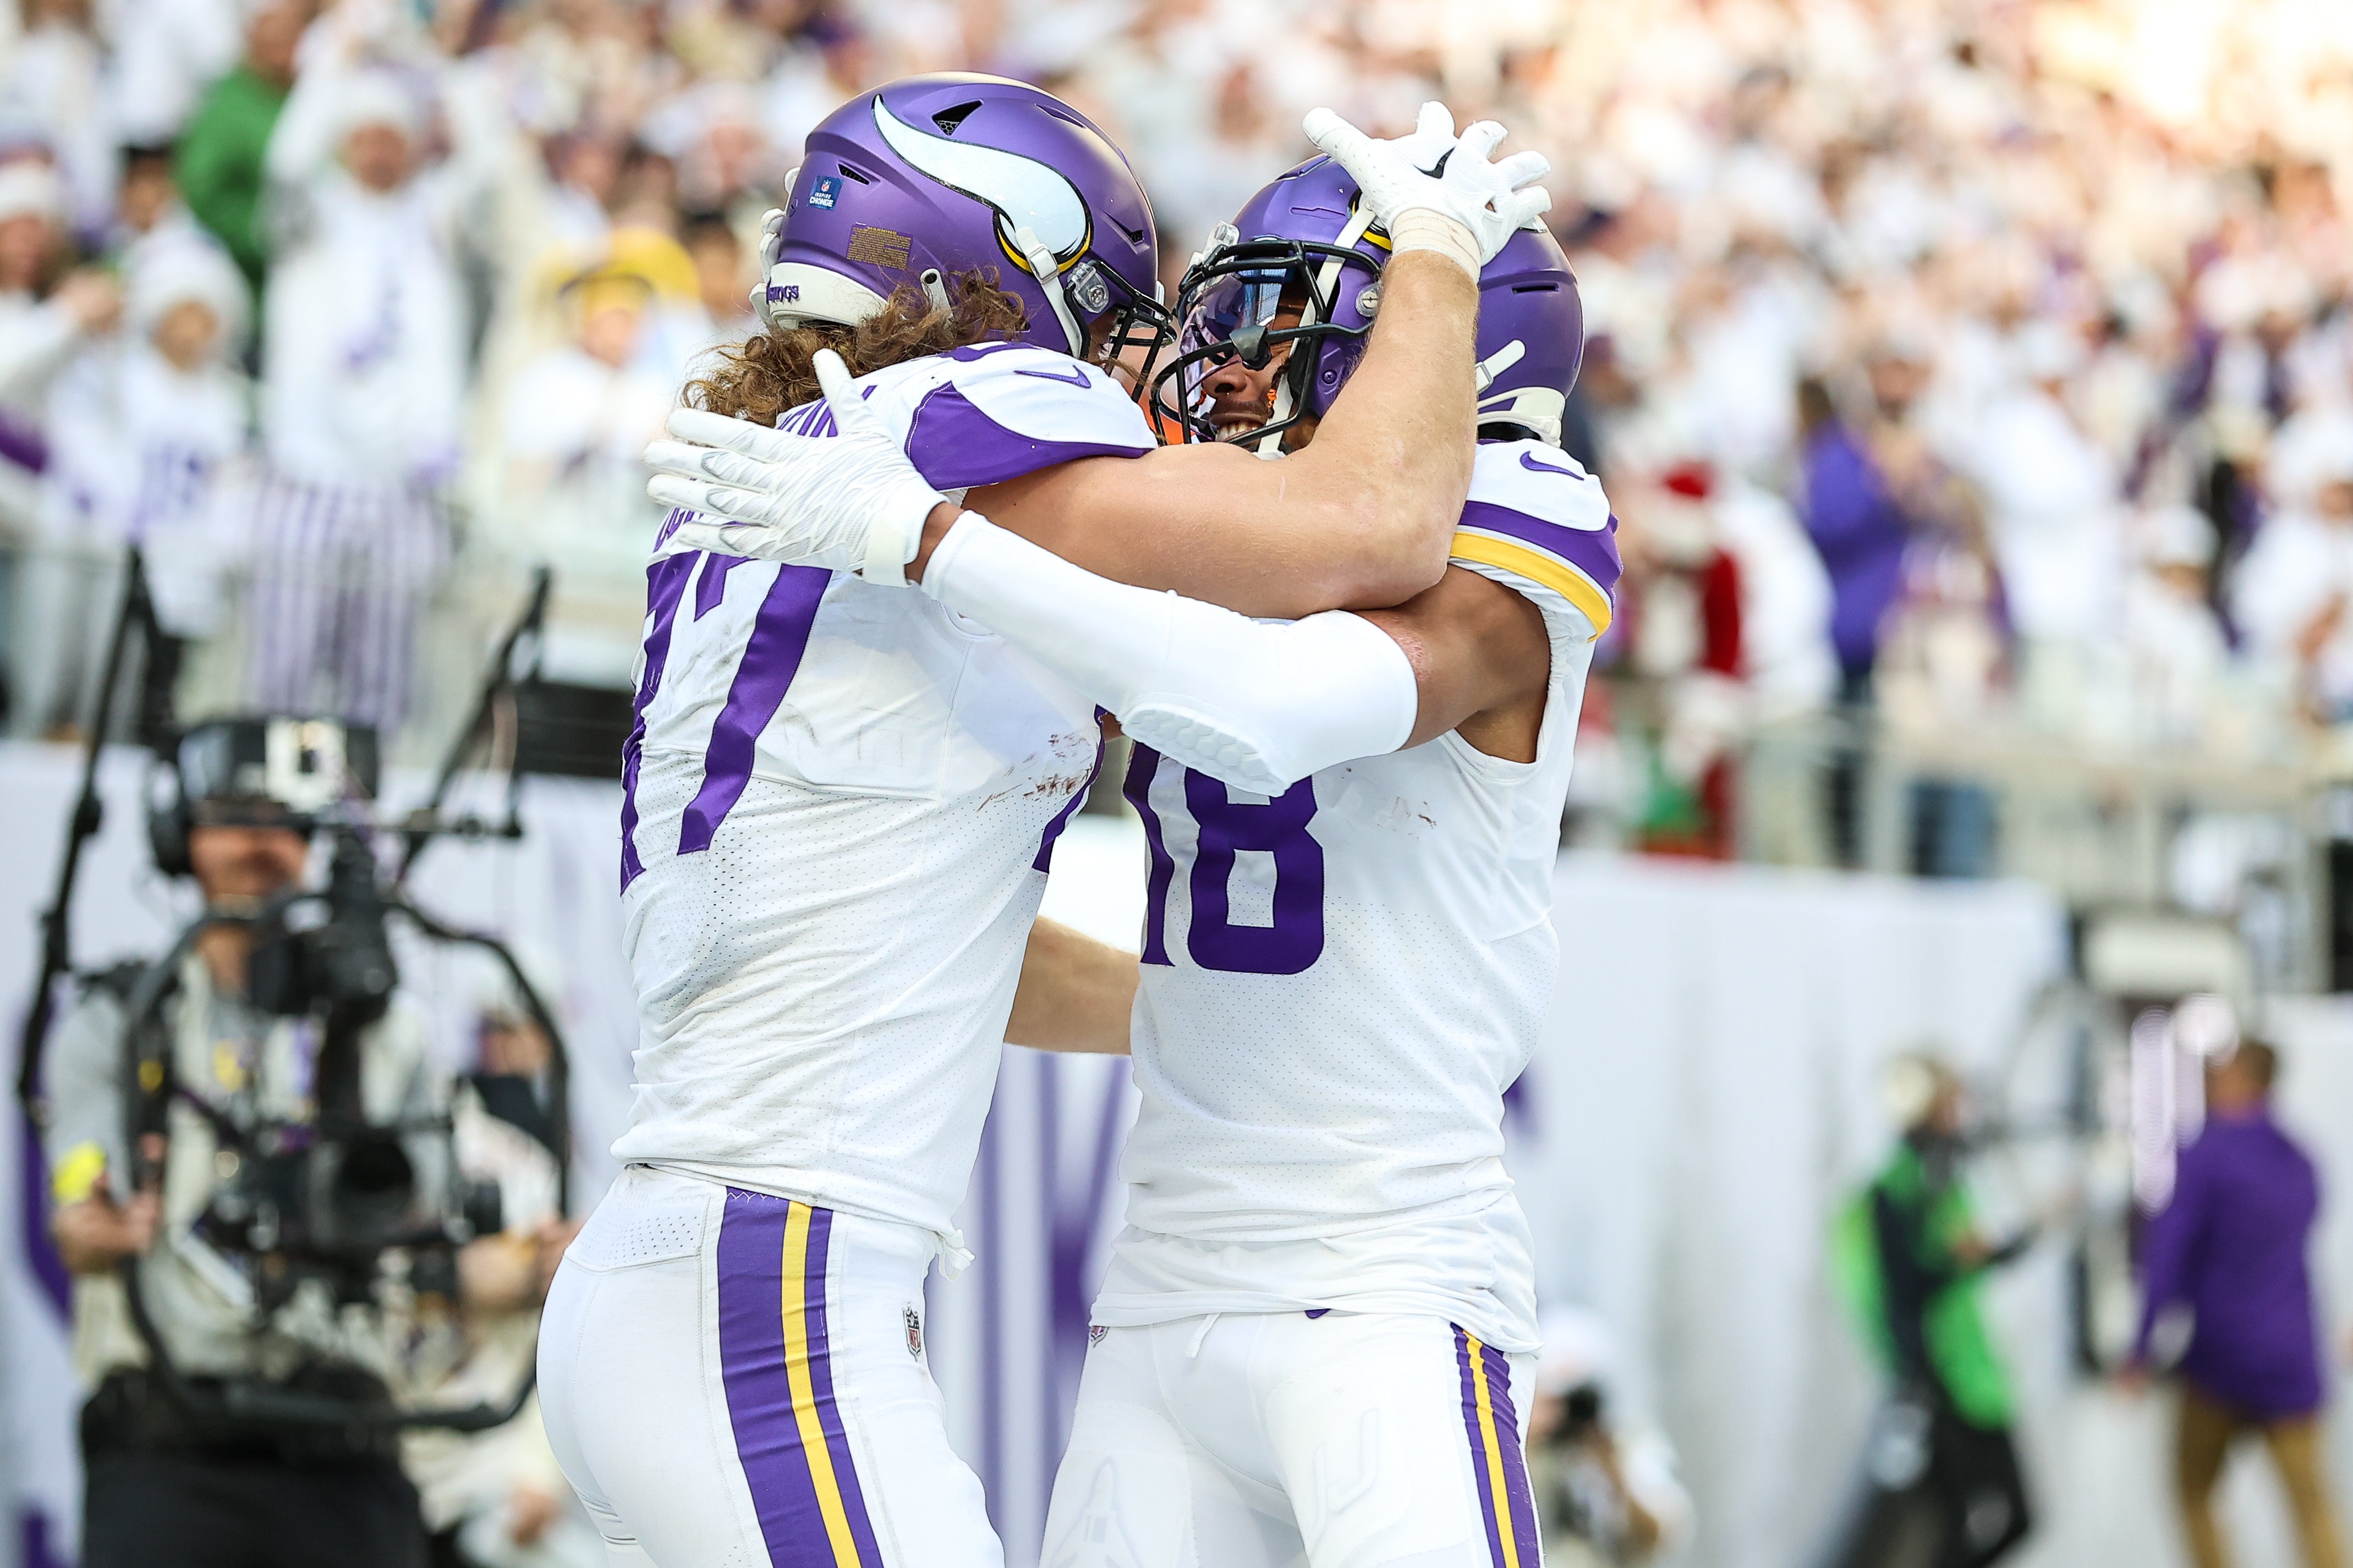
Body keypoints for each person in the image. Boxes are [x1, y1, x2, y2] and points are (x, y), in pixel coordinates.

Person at [550, 75, 1548, 1568]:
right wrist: (1435, 250)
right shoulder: (952, 422)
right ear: (998, 260)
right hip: (768, 1289)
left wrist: (1239, 1030)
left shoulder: (792, 480)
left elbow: (955, 952)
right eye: (1097, 291)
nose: (1126, 338)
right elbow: (1375, 526)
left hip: (689, 1272)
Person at [36, 718, 445, 1568]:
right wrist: (92, 1218)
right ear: (180, 837)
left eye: (283, 822)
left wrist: (531, 1271)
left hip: (345, 1449)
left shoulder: (390, 1037)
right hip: (170, 1451)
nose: (259, 844)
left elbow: (435, 1237)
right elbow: (81, 1196)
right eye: (234, 815)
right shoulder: (119, 1021)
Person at [2125, 1039, 2347, 1568]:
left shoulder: (2205, 1155)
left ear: (2240, 1077)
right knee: (2312, 1507)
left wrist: (2139, 1350)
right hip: (2290, 1359)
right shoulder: (2300, 1159)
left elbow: (2168, 1256)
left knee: (2193, 1489)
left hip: (2221, 1361)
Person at [1825, 1055, 2037, 1568]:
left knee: (1985, 1520)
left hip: (1973, 1381)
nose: (1959, 1114)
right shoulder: (1894, 1194)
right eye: (1949, 1103)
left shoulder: (1939, 1180)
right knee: (1980, 1517)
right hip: (1939, 1385)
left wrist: (2000, 1249)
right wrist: (1964, 1259)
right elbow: (1907, 1287)